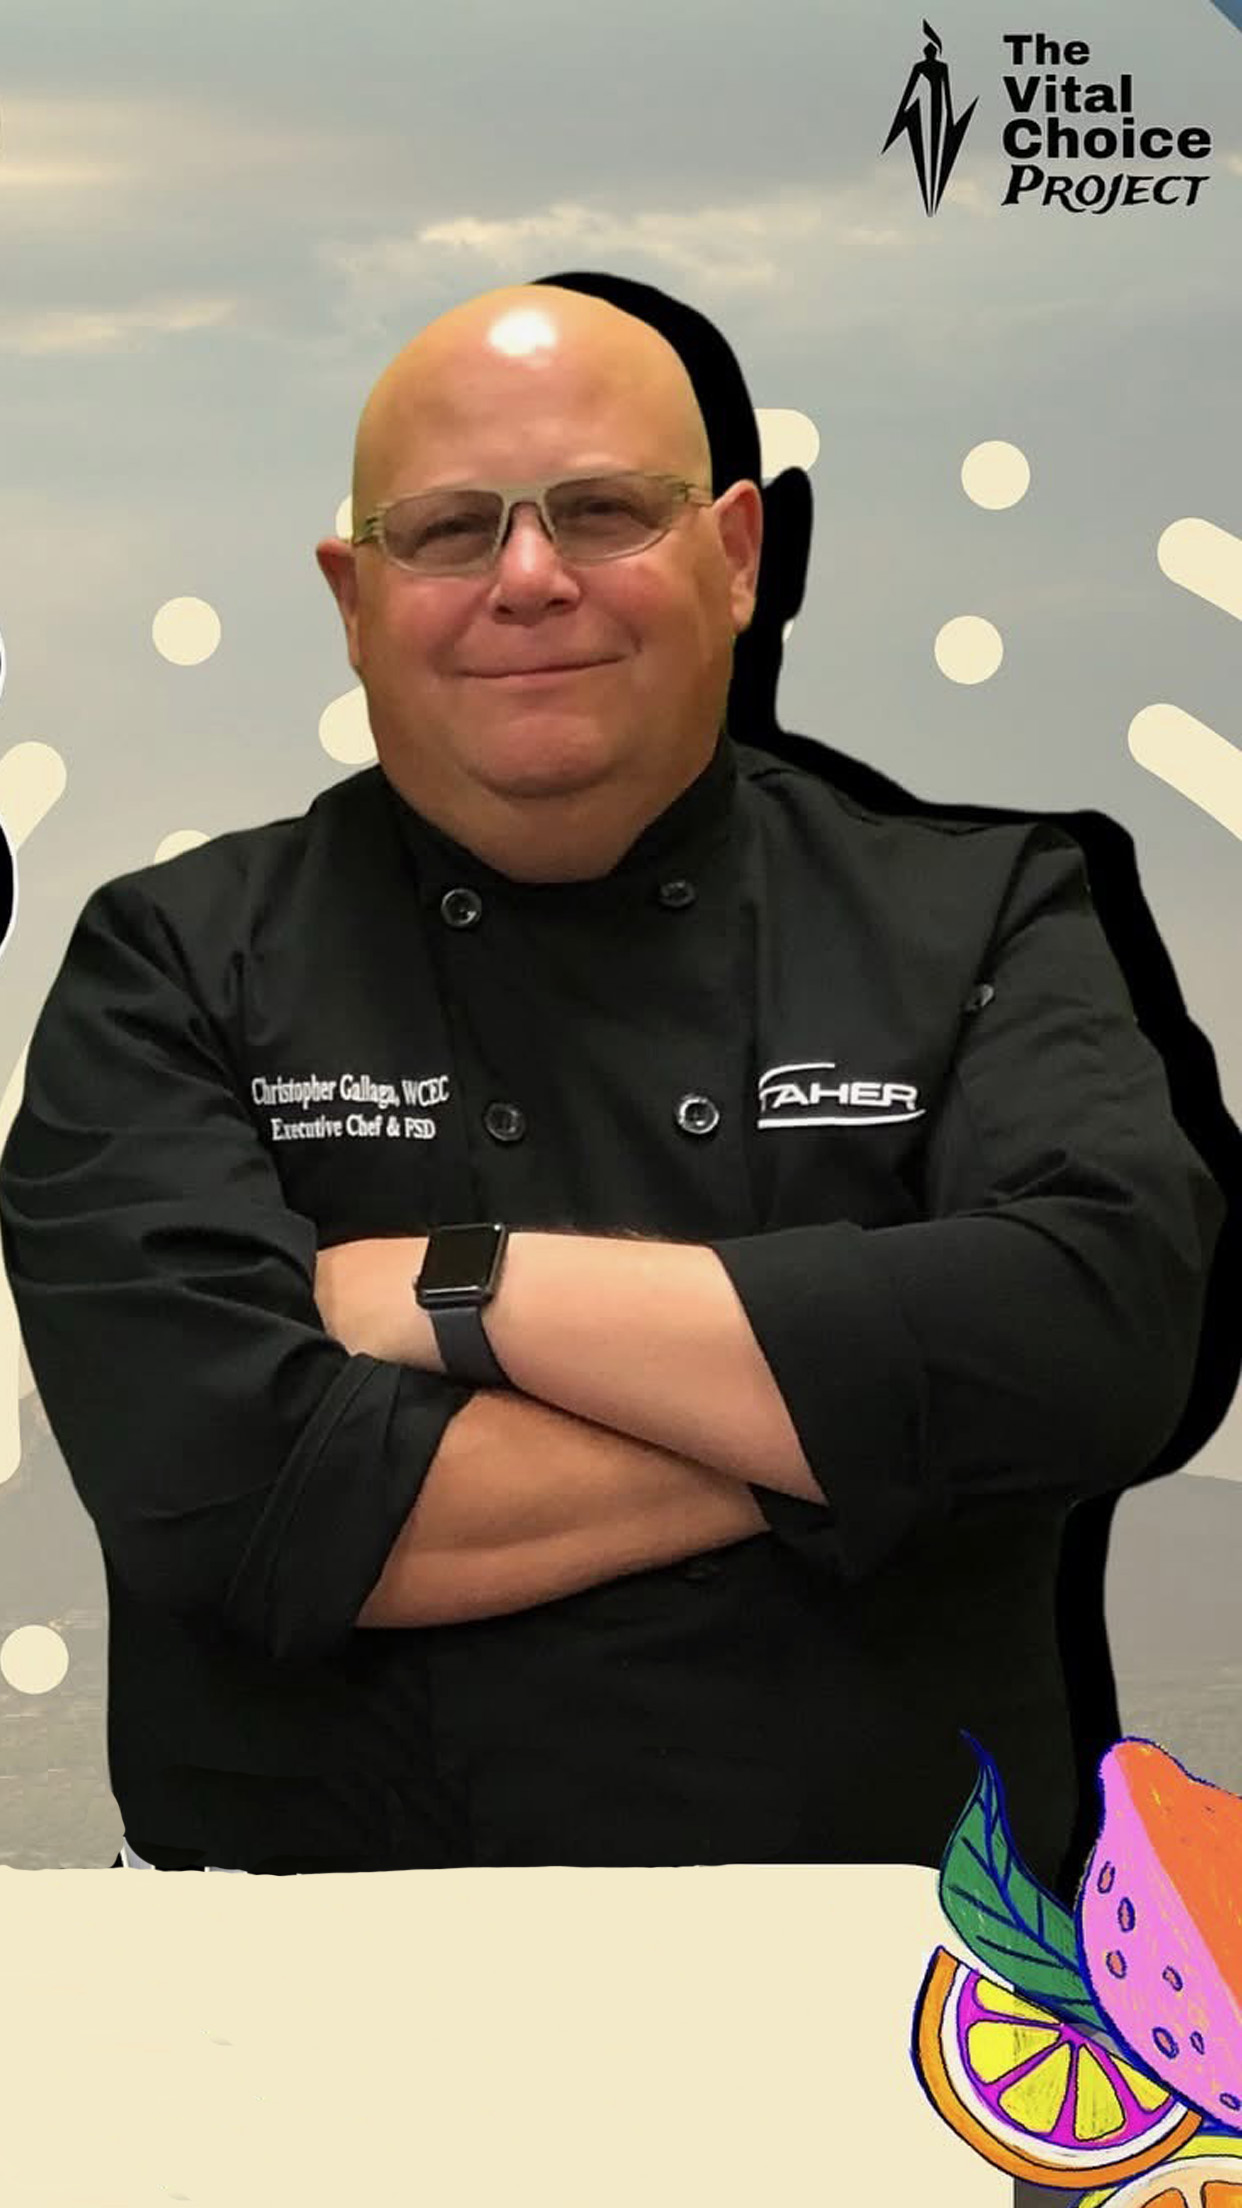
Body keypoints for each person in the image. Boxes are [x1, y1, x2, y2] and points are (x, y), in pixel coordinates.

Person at [0, 282, 1225, 1886]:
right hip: (303, 1979)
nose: (528, 578)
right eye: (450, 530)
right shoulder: (172, 962)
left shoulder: (985, 910)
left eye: (599, 512)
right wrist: (888, 1430)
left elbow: (1099, 1336)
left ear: (735, 555)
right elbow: (241, 1505)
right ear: (354, 598)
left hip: (902, 1968)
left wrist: (461, 1289)